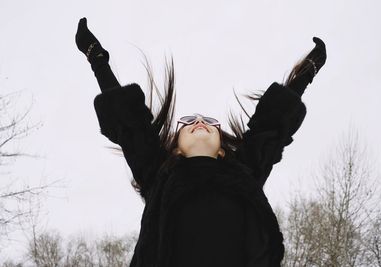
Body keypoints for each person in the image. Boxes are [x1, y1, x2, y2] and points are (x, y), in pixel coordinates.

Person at [75, 17, 326, 267]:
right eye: (189, 123)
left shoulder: (244, 171)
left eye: (207, 121)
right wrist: (97, 59)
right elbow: (129, 123)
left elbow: (271, 126)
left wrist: (307, 72)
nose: (199, 122)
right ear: (177, 148)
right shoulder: (160, 174)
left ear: (221, 148)